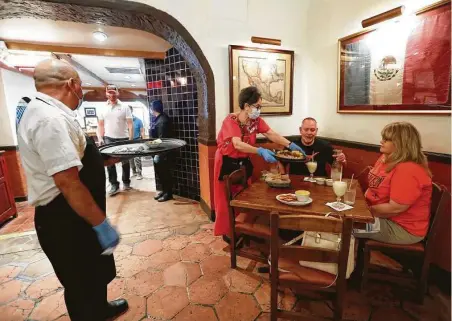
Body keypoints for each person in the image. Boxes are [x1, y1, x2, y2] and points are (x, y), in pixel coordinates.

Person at [16, 59, 128, 320]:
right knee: (80, 283)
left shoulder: (54, 111)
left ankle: (101, 310)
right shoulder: (49, 119)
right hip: (65, 218)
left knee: (93, 274)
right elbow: (68, 183)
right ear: (72, 84)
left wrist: (105, 158)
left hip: (77, 214)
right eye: (80, 84)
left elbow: (76, 157)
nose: (81, 90)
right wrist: (101, 224)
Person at [214, 86, 307, 237]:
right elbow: (236, 144)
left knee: (244, 194)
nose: (259, 110)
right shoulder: (231, 120)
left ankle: (242, 227)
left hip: (243, 162)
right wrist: (259, 151)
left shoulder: (255, 121)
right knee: (226, 198)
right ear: (246, 106)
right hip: (226, 161)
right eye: (257, 106)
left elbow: (271, 134)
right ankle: (228, 232)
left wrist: (289, 145)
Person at [355, 122, 432, 244]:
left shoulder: (408, 169)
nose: (381, 141)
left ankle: (345, 262)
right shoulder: (385, 158)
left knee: (345, 226)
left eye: (387, 139)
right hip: (379, 216)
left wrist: (363, 212)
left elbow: (395, 208)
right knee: (341, 219)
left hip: (401, 228)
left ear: (401, 144)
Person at [97, 85, 133, 196]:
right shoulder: (102, 108)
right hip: (109, 138)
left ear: (117, 93)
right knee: (110, 163)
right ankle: (114, 185)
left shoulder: (125, 107)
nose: (111, 95)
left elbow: (130, 124)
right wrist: (100, 137)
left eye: (113, 92)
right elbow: (100, 125)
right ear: (106, 94)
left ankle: (126, 182)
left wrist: (130, 140)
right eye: (109, 92)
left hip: (123, 138)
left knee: (125, 161)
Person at [149, 100, 174, 202]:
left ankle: (168, 193)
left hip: (163, 152)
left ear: (153, 109)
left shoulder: (162, 121)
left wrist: (150, 145)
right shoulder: (159, 119)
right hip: (160, 151)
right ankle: (164, 191)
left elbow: (162, 140)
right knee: (161, 173)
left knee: (164, 173)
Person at [129, 106, 144, 180]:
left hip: (137, 140)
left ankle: (139, 173)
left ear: (131, 111)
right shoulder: (124, 121)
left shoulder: (138, 120)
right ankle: (134, 172)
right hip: (128, 142)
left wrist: (144, 141)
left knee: (137, 158)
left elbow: (142, 131)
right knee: (130, 158)